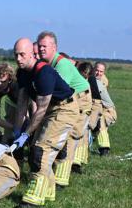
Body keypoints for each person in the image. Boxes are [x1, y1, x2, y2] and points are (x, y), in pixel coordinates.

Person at [11, 38, 79, 207]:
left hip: (64, 109)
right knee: (36, 147)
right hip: (50, 109)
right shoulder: (22, 72)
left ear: (32, 54)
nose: (18, 59)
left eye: (22, 54)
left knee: (41, 150)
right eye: (15, 55)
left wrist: (27, 133)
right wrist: (17, 129)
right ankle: (48, 192)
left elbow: (41, 108)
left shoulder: (44, 73)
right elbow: (22, 102)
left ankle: (33, 199)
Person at [36, 32, 91, 187]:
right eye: (39, 46)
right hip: (70, 97)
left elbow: (58, 90)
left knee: (70, 137)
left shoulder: (62, 65)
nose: (41, 49)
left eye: (44, 46)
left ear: (54, 47)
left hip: (80, 98)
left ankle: (61, 179)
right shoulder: (49, 63)